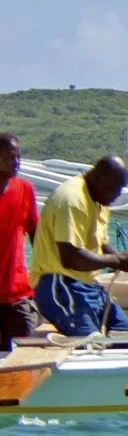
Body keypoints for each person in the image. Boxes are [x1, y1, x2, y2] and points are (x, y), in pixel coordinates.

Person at [30, 156, 128, 336]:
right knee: (91, 343)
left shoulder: (99, 199)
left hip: (89, 286)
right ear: (99, 178)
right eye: (115, 190)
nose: (117, 195)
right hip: (61, 285)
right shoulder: (72, 199)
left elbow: (99, 243)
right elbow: (71, 258)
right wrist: (119, 260)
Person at [0, 135, 38, 354]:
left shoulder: (25, 189)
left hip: (17, 294)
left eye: (18, 157)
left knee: (22, 354)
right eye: (8, 157)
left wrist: (45, 273)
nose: (15, 162)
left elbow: (35, 233)